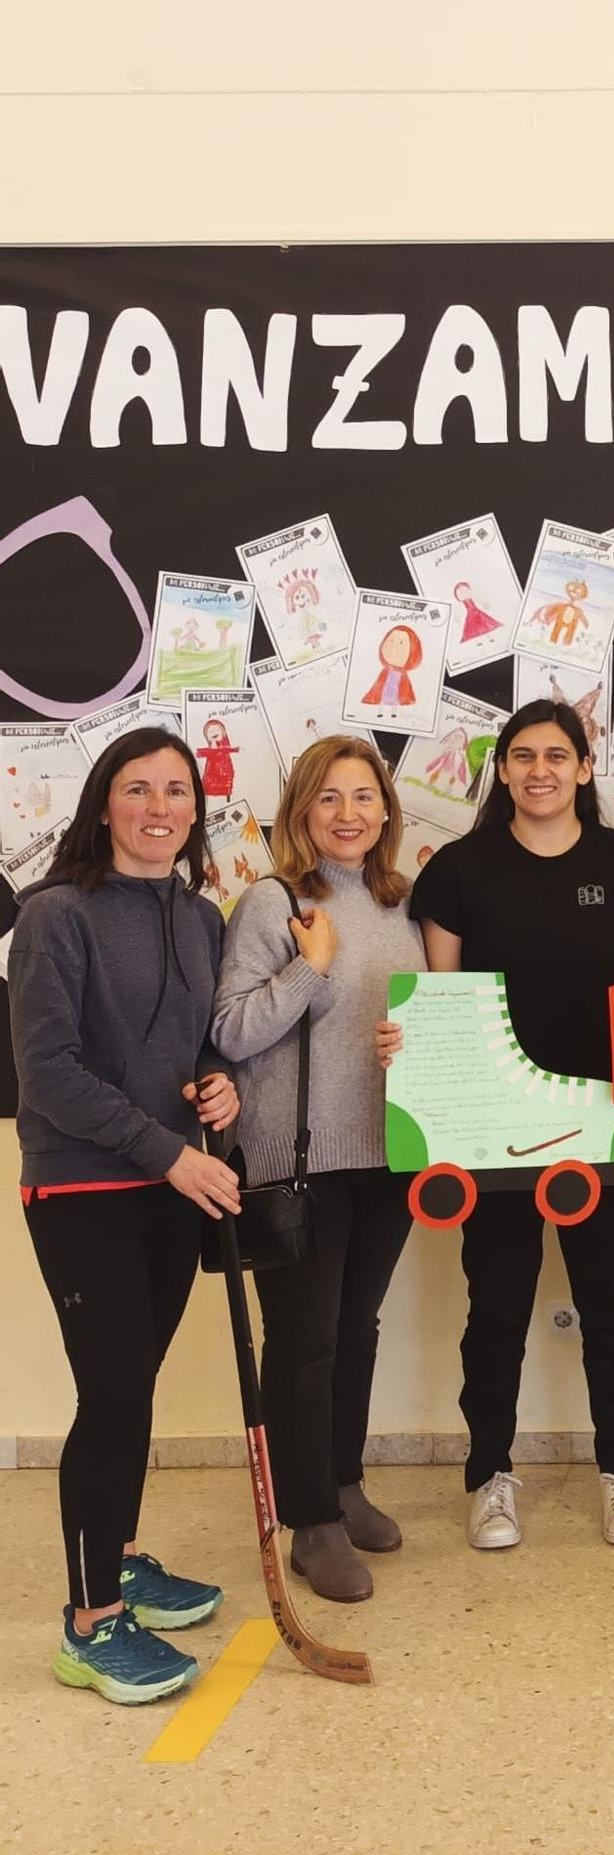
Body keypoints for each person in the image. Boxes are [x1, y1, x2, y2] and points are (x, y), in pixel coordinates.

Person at [12, 728, 242, 1704]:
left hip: (170, 1188)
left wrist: (221, 1088)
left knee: (134, 1383)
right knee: (109, 1394)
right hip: (84, 1188)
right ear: (104, 802)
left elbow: (197, 1047)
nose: (159, 806)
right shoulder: (54, 915)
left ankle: (123, 1552)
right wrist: (171, 1153)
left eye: (176, 791)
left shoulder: (201, 917)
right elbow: (50, 1073)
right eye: (138, 788)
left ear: (196, 809)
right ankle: (89, 1621)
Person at [409, 700, 614, 1552]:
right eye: (523, 757)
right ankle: (489, 1475)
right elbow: (443, 1012)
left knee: (611, 1308)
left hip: (602, 1130)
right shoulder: (457, 870)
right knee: (496, 1309)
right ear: (504, 771)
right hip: (494, 1136)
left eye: (558, 756)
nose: (540, 771)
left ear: (586, 769)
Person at [211, 736, 423, 1603]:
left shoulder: (399, 903)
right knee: (304, 1344)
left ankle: (343, 1482)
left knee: (357, 1332)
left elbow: (414, 1013)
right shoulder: (272, 903)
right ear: (302, 810)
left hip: (389, 1156)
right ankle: (311, 1524)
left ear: (385, 811)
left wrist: (415, 1042)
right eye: (329, 798)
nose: (349, 815)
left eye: (364, 798)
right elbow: (231, 1031)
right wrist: (312, 966)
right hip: (298, 1164)